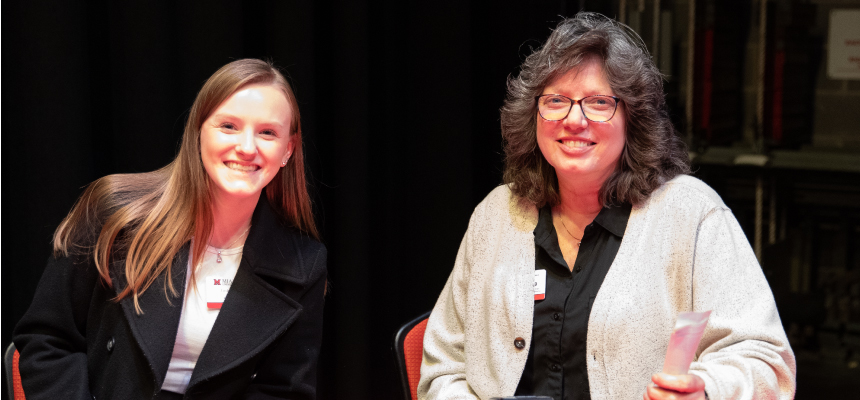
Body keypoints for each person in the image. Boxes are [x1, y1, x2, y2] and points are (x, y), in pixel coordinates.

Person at [418, 13, 795, 400]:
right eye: (556, 101)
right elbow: (443, 365)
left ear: (633, 119)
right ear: (533, 116)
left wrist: (707, 391)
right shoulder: (496, 214)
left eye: (599, 102)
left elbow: (766, 362)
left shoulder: (692, 215)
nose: (574, 119)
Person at [13, 59, 327, 399]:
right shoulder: (116, 211)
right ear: (198, 131)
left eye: (267, 132)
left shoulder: (304, 264)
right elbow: (47, 340)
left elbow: (282, 391)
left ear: (287, 150)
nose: (247, 147)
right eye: (229, 126)